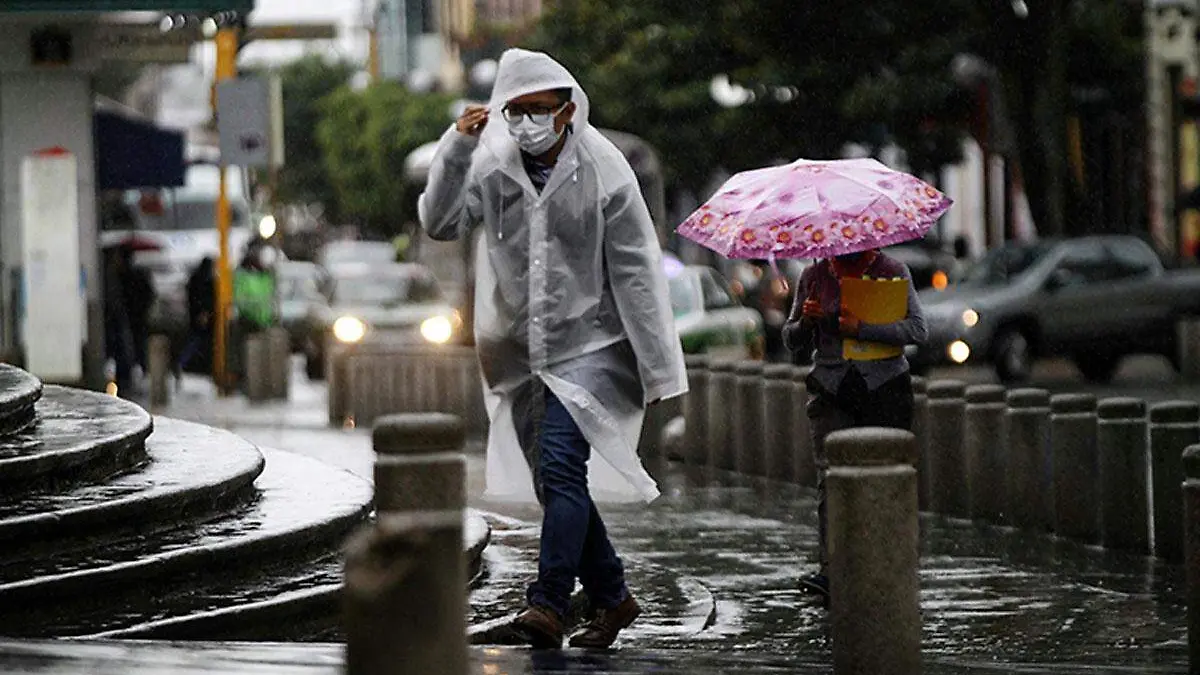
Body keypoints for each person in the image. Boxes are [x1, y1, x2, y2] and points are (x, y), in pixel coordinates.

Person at [419, 48, 687, 649]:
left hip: (591, 346)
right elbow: (440, 223)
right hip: (516, 353)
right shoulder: (490, 166)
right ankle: (613, 597)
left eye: (539, 110)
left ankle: (549, 602)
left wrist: (659, 366)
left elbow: (637, 270)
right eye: (515, 110)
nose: (526, 122)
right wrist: (456, 148)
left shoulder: (604, 169)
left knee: (564, 466)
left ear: (567, 111)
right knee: (555, 482)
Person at [781, 247, 927, 603]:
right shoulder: (813, 277)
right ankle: (833, 570)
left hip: (885, 388)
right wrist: (807, 322)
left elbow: (918, 330)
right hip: (831, 389)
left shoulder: (893, 271)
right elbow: (791, 340)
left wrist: (864, 329)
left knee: (887, 480)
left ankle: (889, 565)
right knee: (830, 480)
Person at [178, 256, 215, 374]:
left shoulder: (195, 279)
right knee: (196, 340)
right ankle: (184, 363)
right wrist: (204, 312)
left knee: (195, 339)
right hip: (202, 316)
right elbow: (205, 298)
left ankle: (184, 363)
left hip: (195, 314)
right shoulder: (206, 281)